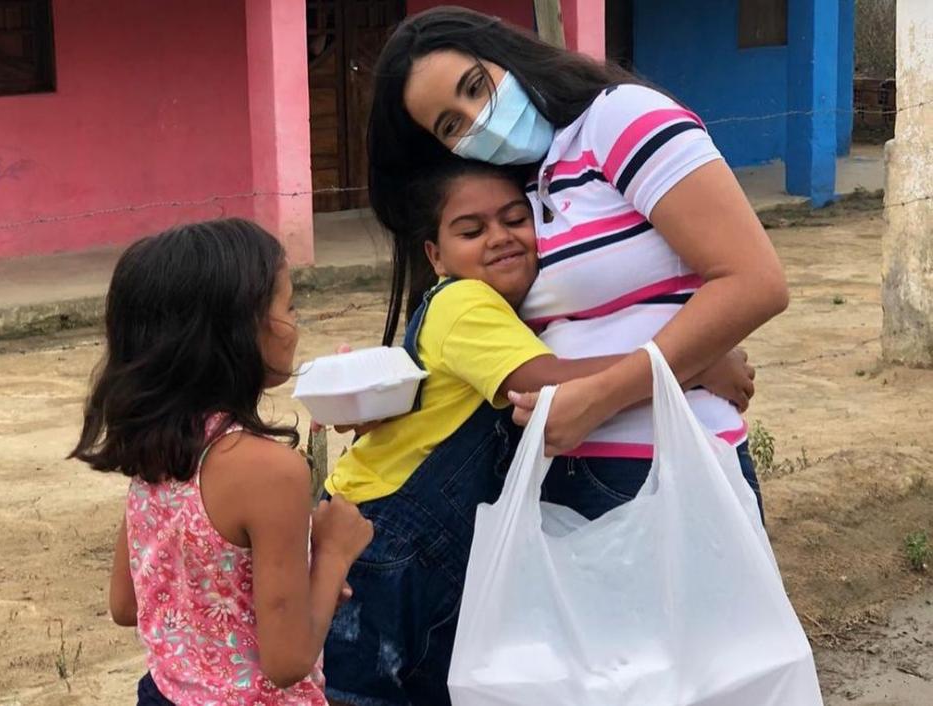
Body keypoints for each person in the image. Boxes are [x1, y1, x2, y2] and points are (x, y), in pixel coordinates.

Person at [322, 160, 756, 706]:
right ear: (435, 256)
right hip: (386, 545)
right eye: (472, 230)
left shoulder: (504, 310)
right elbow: (546, 386)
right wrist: (693, 366)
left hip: (424, 549)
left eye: (514, 220)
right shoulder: (464, 303)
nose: (499, 238)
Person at [367, 7, 787, 521]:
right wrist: (389, 399)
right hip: (551, 482)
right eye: (451, 124)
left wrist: (607, 396)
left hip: (671, 470)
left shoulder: (617, 119)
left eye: (476, 86)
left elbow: (756, 281)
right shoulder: (505, 194)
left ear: (506, 56)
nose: (477, 119)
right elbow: (486, 343)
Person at [70, 219, 373, 706]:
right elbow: (288, 661)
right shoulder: (270, 471)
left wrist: (308, 581)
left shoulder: (155, 448)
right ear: (238, 329)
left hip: (164, 695)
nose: (296, 322)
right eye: (289, 305)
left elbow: (128, 604)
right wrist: (335, 554)